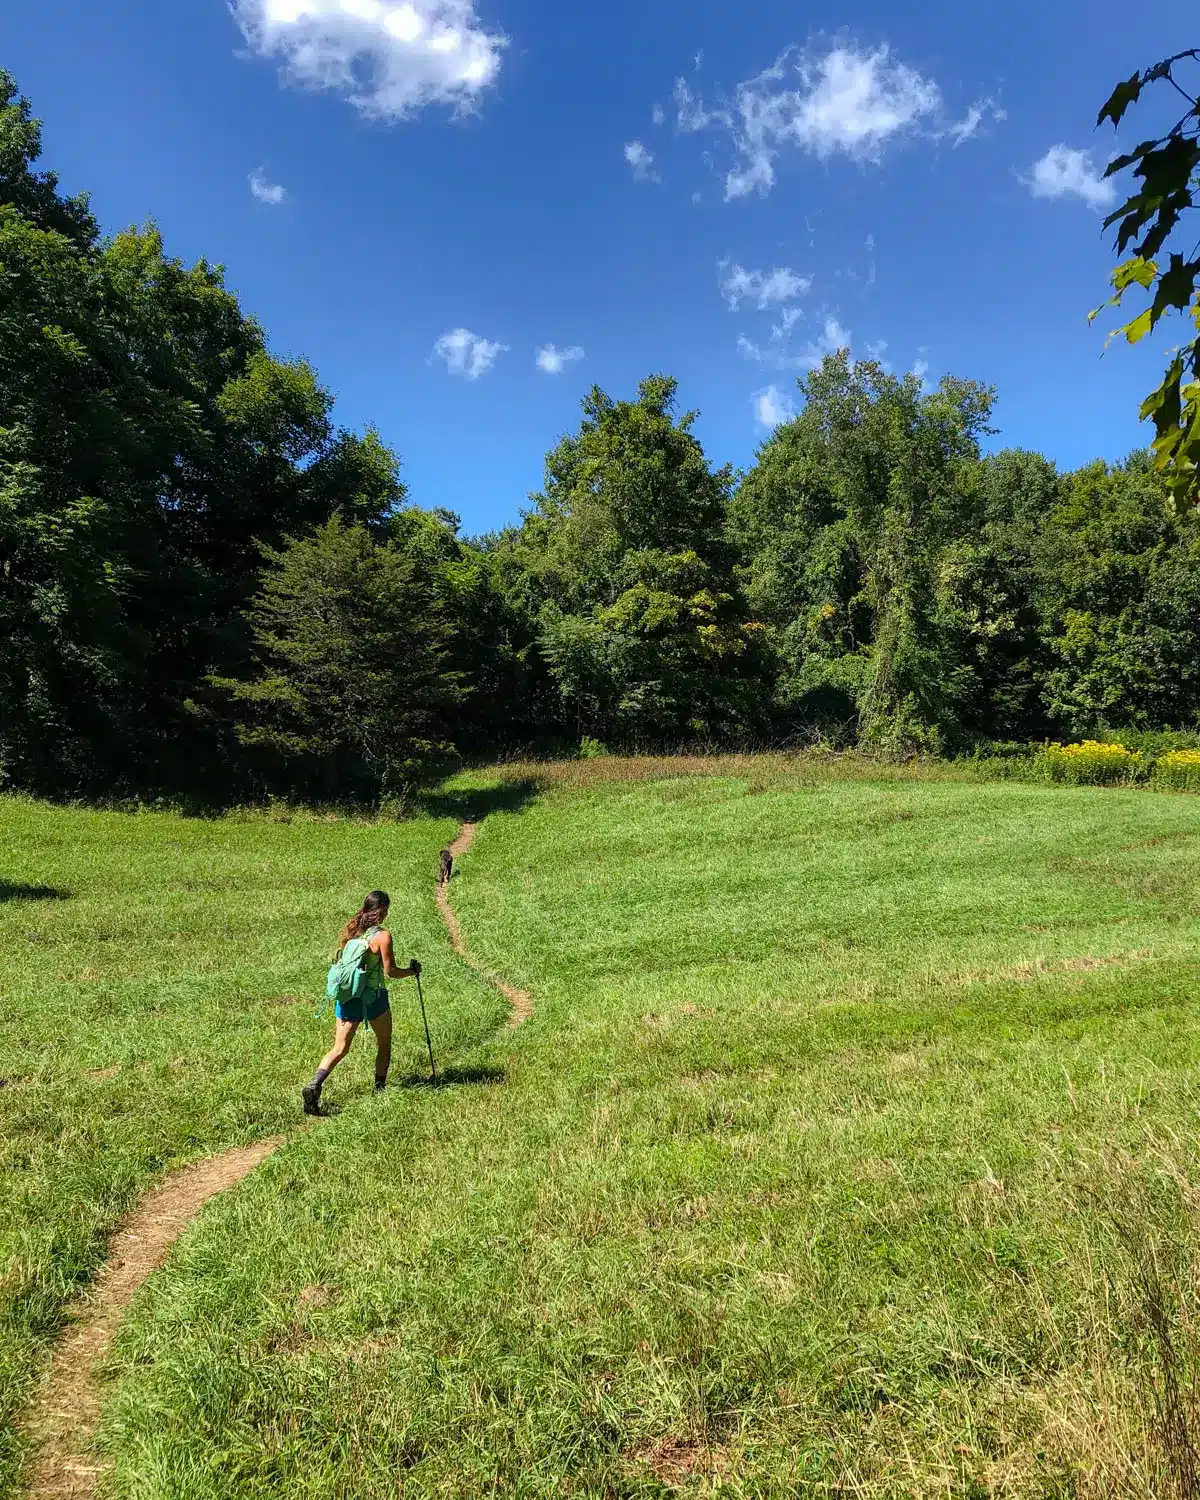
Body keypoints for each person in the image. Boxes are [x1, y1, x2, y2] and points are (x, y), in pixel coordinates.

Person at [302, 890, 421, 1115]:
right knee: (384, 1043)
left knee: (339, 1048)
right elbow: (391, 971)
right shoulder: (382, 937)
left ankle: (314, 1085)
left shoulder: (353, 931)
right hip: (373, 998)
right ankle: (379, 1090)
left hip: (347, 997)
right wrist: (412, 971)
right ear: (383, 910)